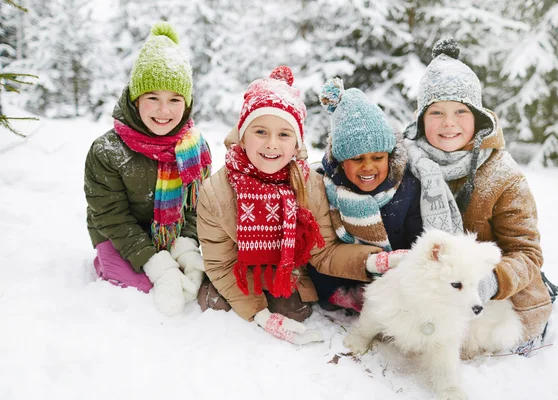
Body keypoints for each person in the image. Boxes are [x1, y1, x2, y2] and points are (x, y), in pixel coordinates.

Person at [196, 66, 387, 345]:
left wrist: (371, 260)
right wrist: (259, 314)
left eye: (284, 134)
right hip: (236, 268)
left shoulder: (308, 185)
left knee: (294, 310)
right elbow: (220, 262)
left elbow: (324, 253)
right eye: (260, 131)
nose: (272, 145)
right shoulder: (216, 191)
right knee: (217, 305)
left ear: (297, 141)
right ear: (242, 136)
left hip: (285, 269)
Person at [403, 38, 552, 355]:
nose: (448, 123)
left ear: (478, 118)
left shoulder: (503, 175)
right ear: (420, 119)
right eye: (436, 112)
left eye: (460, 111)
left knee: (482, 340)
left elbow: (527, 253)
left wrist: (489, 282)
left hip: (492, 293)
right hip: (436, 284)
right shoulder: (407, 163)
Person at [84, 22, 212, 317]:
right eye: (153, 98)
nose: (163, 111)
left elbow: (196, 206)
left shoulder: (194, 147)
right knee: (141, 286)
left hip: (171, 232)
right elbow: (110, 216)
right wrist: (157, 265)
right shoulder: (107, 151)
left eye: (174, 100)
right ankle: (108, 261)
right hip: (118, 232)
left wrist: (186, 249)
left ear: (187, 103)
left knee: (197, 282)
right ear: (135, 99)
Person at [307, 78, 423, 312]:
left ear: (389, 157)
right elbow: (322, 250)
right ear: (340, 161)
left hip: (396, 273)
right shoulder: (325, 188)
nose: (368, 167)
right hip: (342, 275)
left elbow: (418, 237)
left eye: (378, 158)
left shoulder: (407, 187)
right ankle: (340, 295)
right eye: (357, 159)